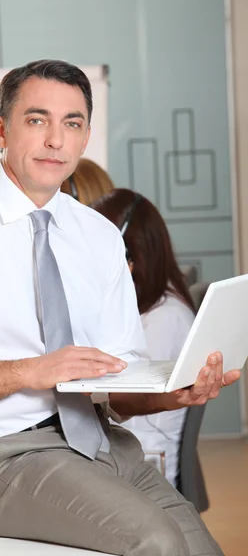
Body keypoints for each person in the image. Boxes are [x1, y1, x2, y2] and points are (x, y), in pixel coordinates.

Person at [0, 60, 239, 556]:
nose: (56, 140)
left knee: (202, 549)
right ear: (0, 129)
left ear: (86, 136)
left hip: (104, 443)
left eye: (72, 123)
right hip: (0, 459)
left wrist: (175, 393)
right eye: (36, 120)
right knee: (155, 542)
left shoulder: (99, 237)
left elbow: (117, 389)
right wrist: (32, 371)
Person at [91, 188, 196, 487]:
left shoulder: (165, 318)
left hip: (145, 462)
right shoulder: (144, 309)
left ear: (128, 253)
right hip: (126, 451)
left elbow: (132, 408)